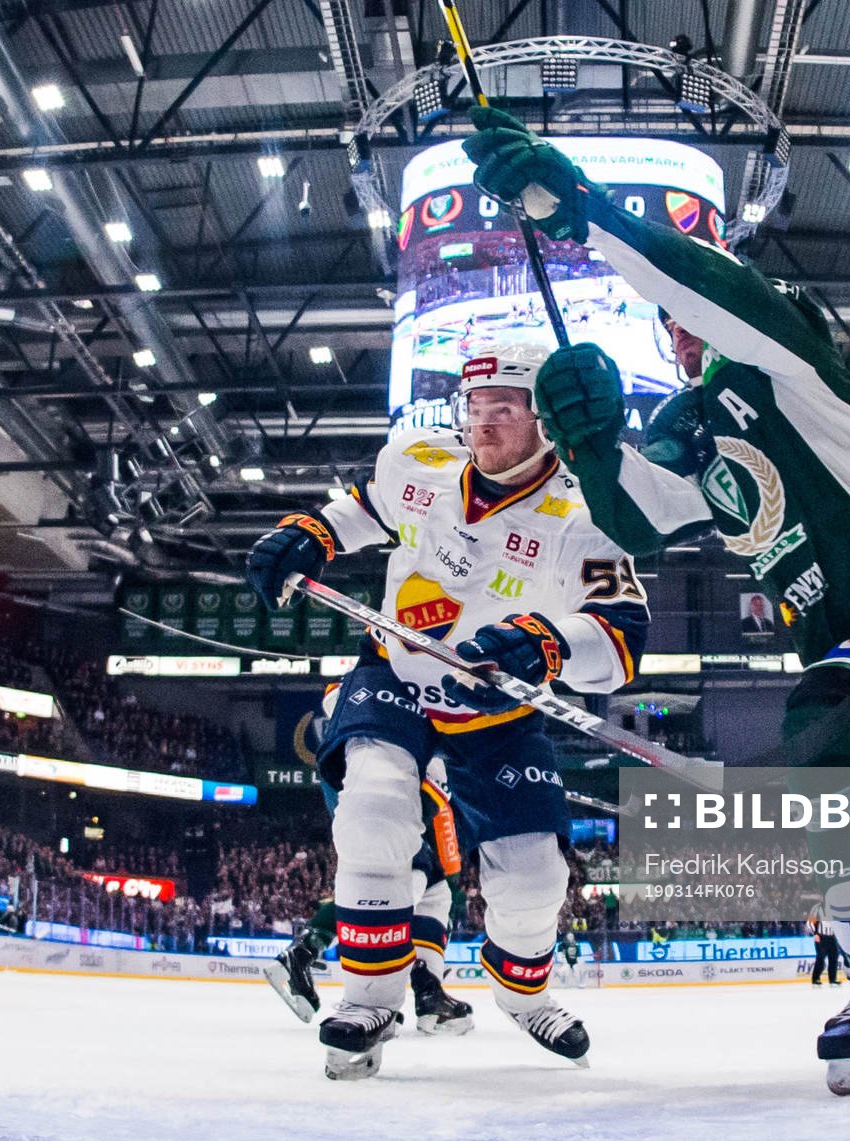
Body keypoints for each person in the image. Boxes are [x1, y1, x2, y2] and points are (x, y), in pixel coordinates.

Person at [464, 109, 850, 1095]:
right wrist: (587, 439)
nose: (678, 330)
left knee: (828, 729)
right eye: (670, 329)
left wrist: (575, 206)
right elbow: (637, 517)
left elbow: (703, 279)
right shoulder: (695, 425)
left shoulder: (787, 366)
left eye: (690, 317)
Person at [246, 344, 649, 1080]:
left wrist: (548, 643)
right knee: (372, 807)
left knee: (533, 882)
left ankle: (523, 994)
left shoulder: (588, 516)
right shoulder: (419, 460)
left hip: (494, 712)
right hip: (394, 672)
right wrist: (314, 532)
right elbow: (369, 506)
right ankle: (369, 997)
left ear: (545, 423)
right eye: (474, 408)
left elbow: (623, 642)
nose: (482, 426)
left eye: (503, 411)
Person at [268, 705, 473, 1035]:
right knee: (404, 869)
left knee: (432, 886)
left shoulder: (368, 686)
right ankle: (304, 954)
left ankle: (427, 987)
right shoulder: (411, 685)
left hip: (358, 770)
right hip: (377, 775)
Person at [807, 904, 841, 986]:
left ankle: (832, 979)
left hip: (832, 937)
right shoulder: (817, 908)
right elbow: (810, 922)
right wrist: (815, 933)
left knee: (834, 958)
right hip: (821, 937)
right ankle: (816, 979)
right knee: (820, 958)